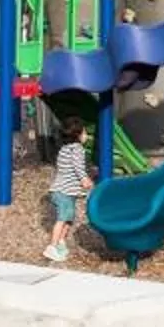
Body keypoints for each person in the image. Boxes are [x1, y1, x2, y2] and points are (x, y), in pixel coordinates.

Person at [44, 107, 93, 264]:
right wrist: (85, 179)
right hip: (64, 192)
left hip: (63, 191)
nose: (87, 135)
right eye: (85, 132)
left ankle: (61, 243)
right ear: (77, 135)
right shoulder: (77, 149)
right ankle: (52, 246)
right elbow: (78, 168)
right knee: (62, 218)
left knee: (68, 219)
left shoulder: (64, 149)